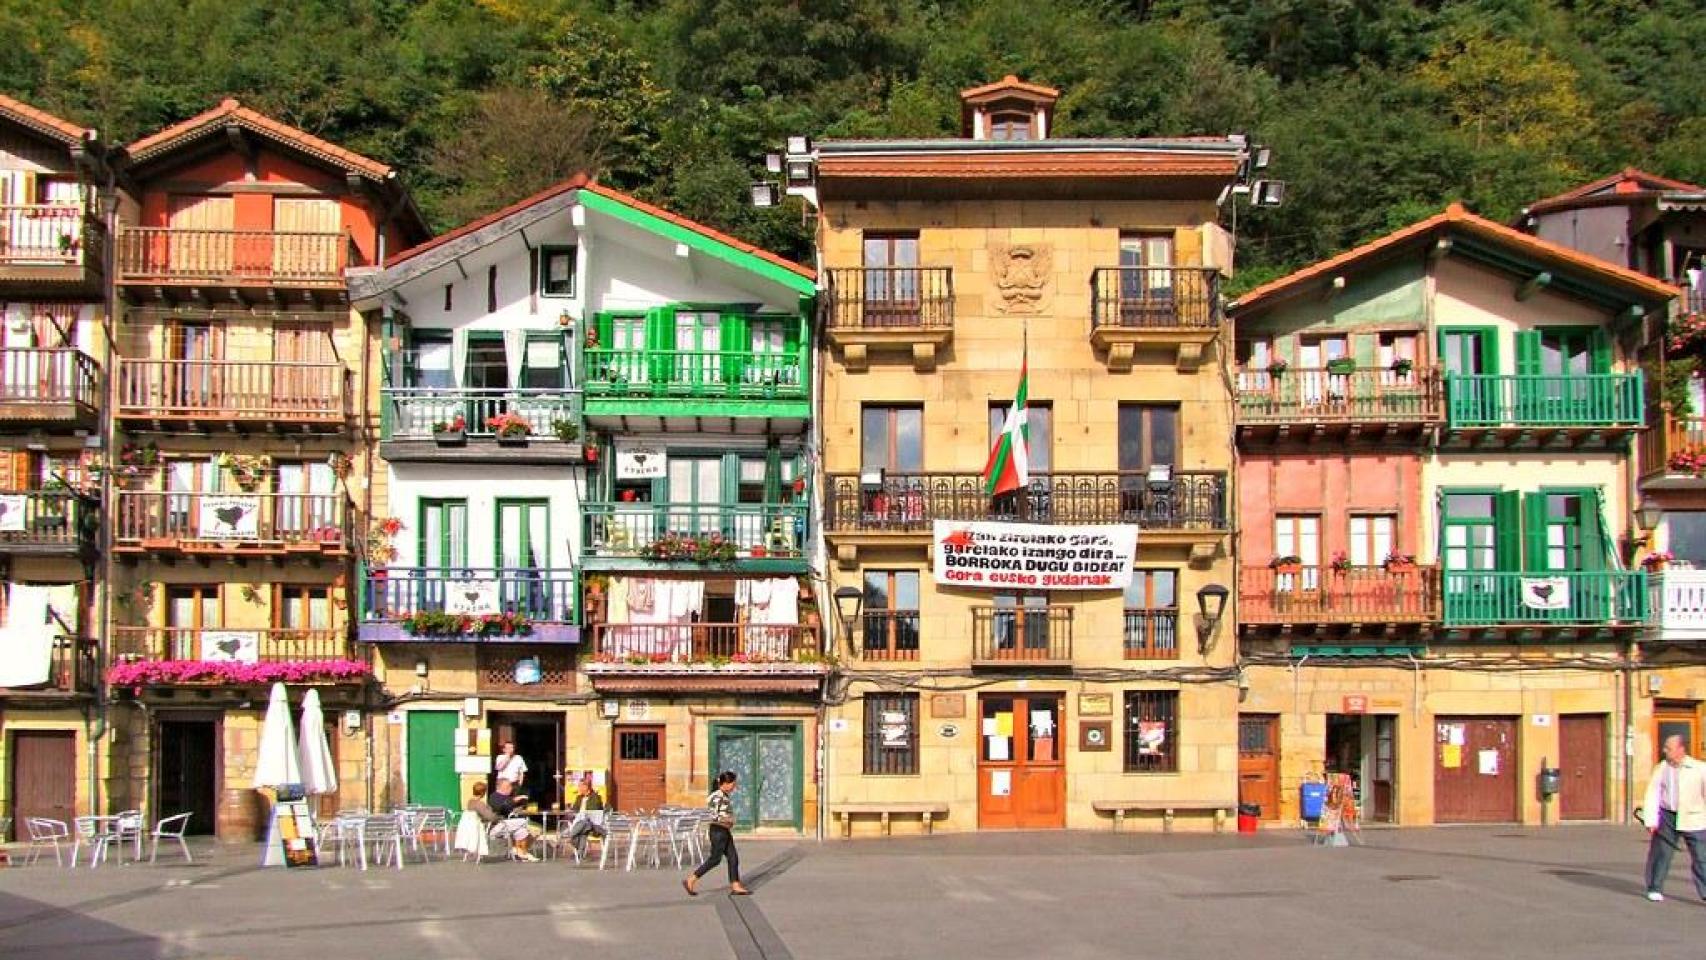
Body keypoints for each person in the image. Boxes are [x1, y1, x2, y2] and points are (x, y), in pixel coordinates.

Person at [1641, 734, 1706, 902]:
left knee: (1701, 856)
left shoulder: (1699, 769)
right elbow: (1653, 793)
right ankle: (1654, 887)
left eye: (1668, 748)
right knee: (1661, 853)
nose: (1664, 751)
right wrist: (1651, 819)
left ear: (1680, 749)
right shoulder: (1662, 768)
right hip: (1667, 815)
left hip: (1694, 816)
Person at [684, 771, 749, 896]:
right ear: (724, 784)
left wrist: (729, 822)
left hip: (724, 830)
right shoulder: (717, 796)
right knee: (715, 859)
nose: (734, 787)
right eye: (732, 784)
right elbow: (712, 815)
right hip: (718, 831)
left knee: (733, 857)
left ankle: (735, 884)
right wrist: (728, 820)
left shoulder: (723, 795)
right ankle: (691, 879)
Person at [468, 781, 537, 862]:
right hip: (491, 828)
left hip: (488, 826)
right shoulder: (479, 804)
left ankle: (521, 852)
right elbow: (491, 817)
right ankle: (518, 850)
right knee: (523, 821)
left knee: (521, 830)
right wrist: (499, 816)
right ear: (483, 792)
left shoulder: (470, 802)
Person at [566, 777, 607, 849]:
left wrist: (582, 815)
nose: (578, 788)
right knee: (582, 831)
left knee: (584, 823)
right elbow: (574, 811)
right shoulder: (579, 798)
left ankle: (571, 836)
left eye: (580, 786)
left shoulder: (596, 797)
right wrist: (570, 811)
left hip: (593, 824)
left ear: (586, 787)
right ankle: (580, 853)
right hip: (581, 823)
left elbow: (593, 813)